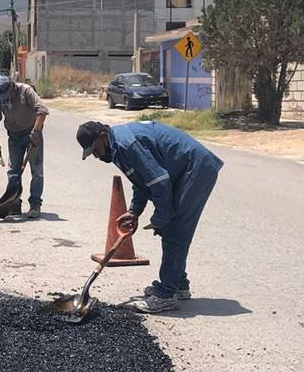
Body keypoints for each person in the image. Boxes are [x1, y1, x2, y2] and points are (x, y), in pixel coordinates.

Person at [76, 120, 224, 313]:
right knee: (171, 228)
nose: (96, 156)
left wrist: (161, 218)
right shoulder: (117, 148)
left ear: (103, 137)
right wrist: (134, 211)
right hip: (182, 170)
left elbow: (159, 181)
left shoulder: (127, 145)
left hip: (195, 168)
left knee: (175, 230)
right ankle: (179, 284)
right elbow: (142, 179)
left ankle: (166, 295)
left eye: (95, 150)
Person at [0, 75, 48, 218]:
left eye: (5, 94)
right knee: (14, 172)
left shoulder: (25, 91)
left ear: (11, 87)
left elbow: (42, 110)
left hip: (32, 134)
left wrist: (36, 131)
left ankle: (35, 205)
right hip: (14, 137)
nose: (4, 98)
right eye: (0, 96)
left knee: (37, 171)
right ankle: (14, 204)